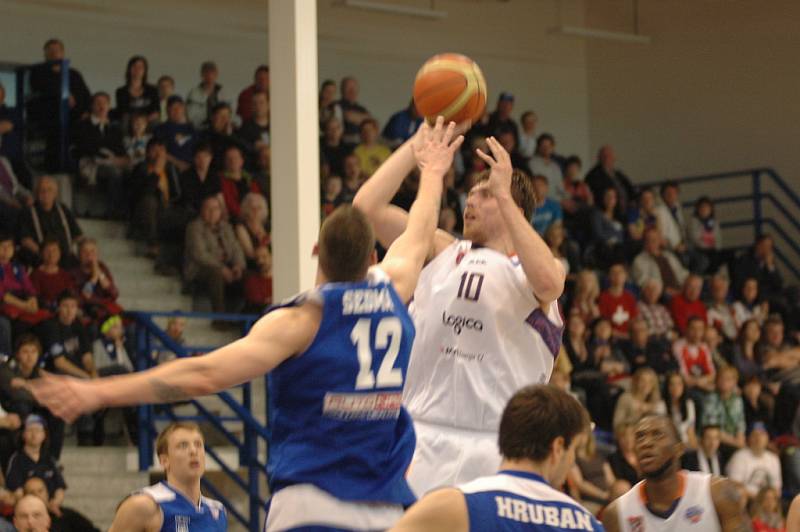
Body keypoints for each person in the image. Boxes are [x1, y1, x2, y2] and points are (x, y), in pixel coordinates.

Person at [33, 118, 461, 531]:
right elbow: (421, 227)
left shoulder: (300, 321)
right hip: (387, 510)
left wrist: (98, 391)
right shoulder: (397, 288)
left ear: (317, 253)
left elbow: (201, 375)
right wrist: (433, 170)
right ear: (373, 256)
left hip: (311, 504)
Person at [354, 128, 565, 495]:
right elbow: (366, 211)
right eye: (470, 193)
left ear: (512, 208)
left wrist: (502, 189)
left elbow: (550, 283)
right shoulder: (440, 248)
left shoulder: (531, 271)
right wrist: (415, 146)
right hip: (420, 433)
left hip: (497, 443)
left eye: (484, 194)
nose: (470, 201)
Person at [388, 385, 600, 532]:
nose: (572, 462)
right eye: (575, 450)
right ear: (558, 447)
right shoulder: (587, 523)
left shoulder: (456, 504)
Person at [602, 415, 751, 532]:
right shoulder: (617, 514)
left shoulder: (716, 492)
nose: (646, 443)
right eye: (640, 437)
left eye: (657, 435)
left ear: (679, 449)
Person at [108, 422, 225, 531]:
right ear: (164, 461)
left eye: (198, 444)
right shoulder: (144, 505)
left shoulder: (217, 510)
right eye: (183, 445)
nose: (194, 451)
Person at [182, 195, 245, 314]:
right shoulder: (194, 227)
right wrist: (221, 268)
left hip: (226, 266)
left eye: (216, 209)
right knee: (216, 274)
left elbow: (236, 248)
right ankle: (219, 316)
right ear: (202, 210)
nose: (212, 212)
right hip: (200, 269)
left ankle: (243, 316)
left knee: (247, 275)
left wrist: (238, 265)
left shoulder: (225, 227)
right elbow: (199, 254)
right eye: (208, 209)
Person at [18, 176, 83, 268]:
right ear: (36, 193)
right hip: (40, 257)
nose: (46, 193)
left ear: (55, 193)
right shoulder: (28, 212)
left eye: (50, 190)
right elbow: (25, 240)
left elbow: (78, 235)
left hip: (65, 256)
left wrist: (70, 249)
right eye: (42, 191)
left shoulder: (63, 209)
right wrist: (47, 254)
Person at [5, 415, 66, 513]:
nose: (34, 434)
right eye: (30, 430)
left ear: (44, 435)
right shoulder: (17, 460)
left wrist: (55, 503)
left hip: (50, 508)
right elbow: (17, 492)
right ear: (23, 434)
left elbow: (60, 488)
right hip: (27, 510)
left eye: (38, 430)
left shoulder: (49, 459)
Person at [725, 422, 782, 499]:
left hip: (767, 503)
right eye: (755, 434)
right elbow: (735, 488)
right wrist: (759, 499)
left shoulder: (773, 459)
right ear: (749, 438)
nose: (758, 438)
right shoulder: (739, 457)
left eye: (762, 434)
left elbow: (777, 489)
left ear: (767, 438)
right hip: (746, 502)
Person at [23, 476, 99, 532]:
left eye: (40, 491)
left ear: (47, 493)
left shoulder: (66, 515)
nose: (37, 495)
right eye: (32, 492)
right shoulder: (23, 520)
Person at [584, 145, 635, 223]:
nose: (608, 158)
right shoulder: (593, 175)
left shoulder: (618, 174)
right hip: (608, 214)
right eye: (605, 156)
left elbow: (630, 188)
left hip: (627, 211)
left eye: (610, 156)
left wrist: (633, 200)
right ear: (599, 158)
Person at [632, 227, 689, 295]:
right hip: (661, 294)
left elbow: (682, 273)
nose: (651, 242)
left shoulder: (669, 256)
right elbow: (643, 282)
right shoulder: (639, 261)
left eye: (654, 239)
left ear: (659, 240)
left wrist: (689, 282)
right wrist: (664, 290)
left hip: (680, 289)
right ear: (644, 242)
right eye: (648, 240)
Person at [153, 95, 196, 172]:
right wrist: (179, 163)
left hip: (193, 169)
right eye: (172, 108)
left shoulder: (193, 129)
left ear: (183, 108)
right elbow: (158, 150)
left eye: (178, 107)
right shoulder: (161, 129)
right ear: (167, 111)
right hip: (171, 168)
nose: (176, 111)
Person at [113, 56, 159, 126]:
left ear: (144, 71)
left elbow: (156, 112)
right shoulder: (121, 91)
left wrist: (142, 122)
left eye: (140, 67)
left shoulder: (152, 90)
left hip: (148, 124)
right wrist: (135, 123)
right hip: (129, 125)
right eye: (134, 66)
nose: (137, 70)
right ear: (129, 69)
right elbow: (123, 114)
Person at [186, 61, 229, 129]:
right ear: (202, 75)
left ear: (216, 75)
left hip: (221, 128)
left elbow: (229, 112)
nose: (210, 76)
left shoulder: (223, 92)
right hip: (200, 128)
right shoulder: (194, 93)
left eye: (212, 73)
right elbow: (190, 115)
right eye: (206, 73)